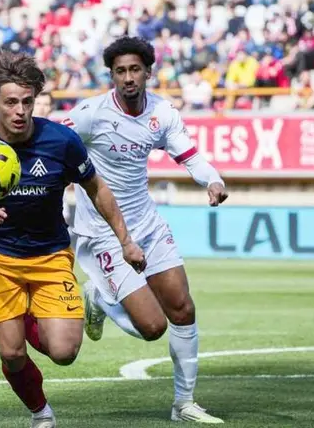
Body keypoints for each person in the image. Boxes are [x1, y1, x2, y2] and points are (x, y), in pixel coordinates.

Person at [0, 49, 145, 428]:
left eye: (28, 101)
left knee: (64, 352)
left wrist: (126, 241)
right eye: (10, 102)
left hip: (51, 255)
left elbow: (98, 189)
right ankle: (41, 414)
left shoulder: (62, 141)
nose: (21, 110)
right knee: (11, 354)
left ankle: (54, 308)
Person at [65, 36, 227, 424]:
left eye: (134, 69)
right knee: (153, 327)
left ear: (148, 72)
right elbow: (55, 142)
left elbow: (189, 154)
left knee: (183, 309)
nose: (127, 77)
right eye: (120, 71)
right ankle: (100, 299)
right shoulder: (90, 113)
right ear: (111, 76)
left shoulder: (162, 113)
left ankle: (183, 404)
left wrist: (212, 180)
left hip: (148, 225)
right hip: (103, 231)